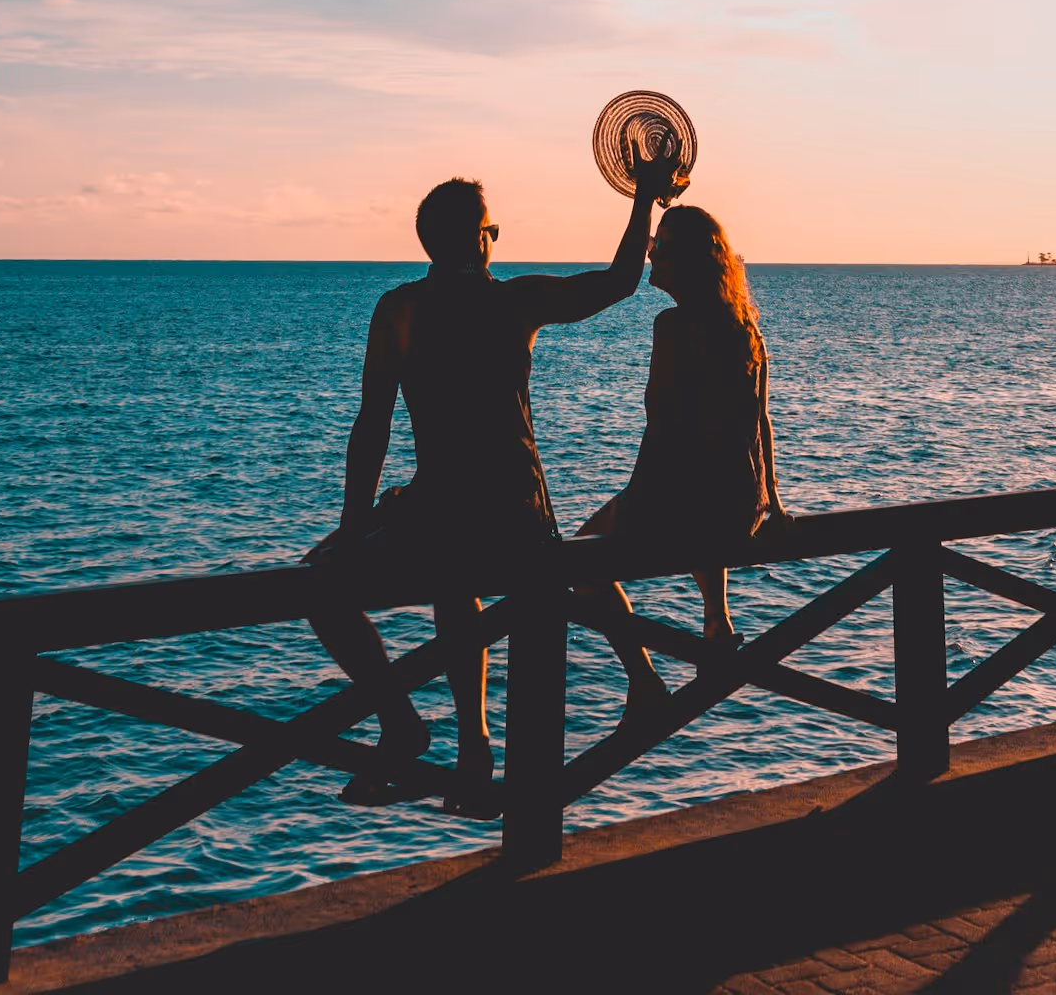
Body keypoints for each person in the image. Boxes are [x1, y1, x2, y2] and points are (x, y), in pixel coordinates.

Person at [305, 162, 677, 811]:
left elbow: (372, 425)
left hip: (442, 509)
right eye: (492, 230)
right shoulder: (513, 303)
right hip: (518, 514)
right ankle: (474, 754)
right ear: (477, 239)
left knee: (324, 585)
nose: (494, 240)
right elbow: (620, 282)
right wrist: (644, 196)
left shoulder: (399, 310)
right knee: (458, 586)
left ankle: (404, 723)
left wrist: (351, 523)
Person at [578, 202, 790, 712]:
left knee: (581, 562)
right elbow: (757, 424)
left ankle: (643, 679)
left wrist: (634, 501)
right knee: (707, 489)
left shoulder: (671, 326)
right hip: (740, 505)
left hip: (683, 501)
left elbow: (666, 429)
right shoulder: (746, 329)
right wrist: (774, 504)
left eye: (661, 248)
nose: (652, 256)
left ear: (689, 261)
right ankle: (717, 621)